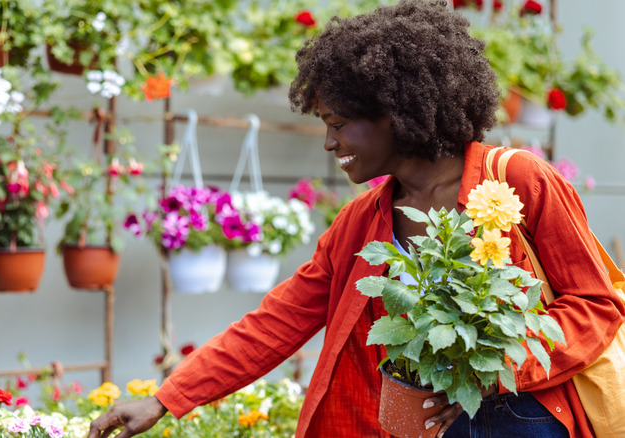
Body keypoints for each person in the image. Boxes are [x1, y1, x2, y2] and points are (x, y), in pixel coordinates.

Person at [88, 1, 625, 437]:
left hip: (524, 418)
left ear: (396, 112)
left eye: (339, 124)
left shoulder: (518, 179)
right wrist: (165, 399)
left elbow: (597, 305)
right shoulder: (359, 223)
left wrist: (494, 372)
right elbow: (276, 322)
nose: (329, 142)